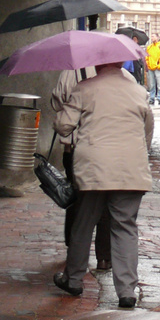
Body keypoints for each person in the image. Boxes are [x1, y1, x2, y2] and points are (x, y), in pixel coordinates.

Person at [52, 61, 154, 308]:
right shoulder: (138, 90)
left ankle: (74, 279)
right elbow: (147, 129)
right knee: (125, 227)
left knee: (84, 223)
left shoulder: (84, 88)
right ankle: (127, 291)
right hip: (130, 169)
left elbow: (63, 125)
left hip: (94, 169)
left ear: (98, 62)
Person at [50, 66, 111, 275]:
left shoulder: (70, 72)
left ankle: (74, 252)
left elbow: (57, 101)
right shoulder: (118, 76)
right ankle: (104, 257)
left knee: (77, 201)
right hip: (105, 147)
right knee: (105, 203)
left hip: (76, 147)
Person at [146, 37, 160, 105]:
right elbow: (146, 57)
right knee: (152, 85)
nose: (152, 38)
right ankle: (152, 98)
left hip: (158, 68)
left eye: (153, 36)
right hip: (151, 68)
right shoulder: (149, 47)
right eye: (151, 36)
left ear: (157, 38)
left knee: (159, 84)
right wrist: (148, 64)